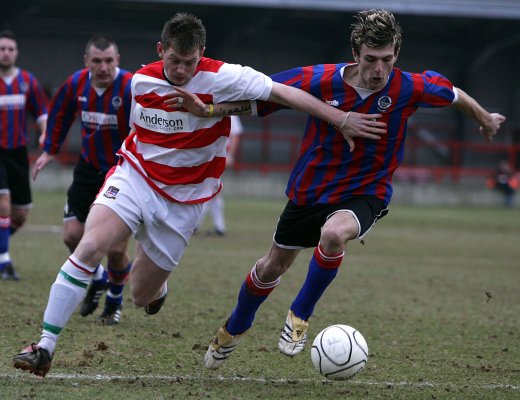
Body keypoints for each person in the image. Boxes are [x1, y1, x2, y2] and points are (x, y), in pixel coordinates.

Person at [12, 12, 385, 377]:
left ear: (201, 54)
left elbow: (286, 93)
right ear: (161, 50)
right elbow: (133, 134)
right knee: (89, 245)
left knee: (141, 295)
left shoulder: (226, 76)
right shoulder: (140, 82)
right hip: (135, 177)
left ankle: (157, 285)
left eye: (189, 63)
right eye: (174, 61)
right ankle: (44, 345)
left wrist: (340, 119)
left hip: (184, 201)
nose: (181, 71)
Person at [167, 9, 506, 369]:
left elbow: (454, 94)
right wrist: (210, 110)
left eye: (387, 60)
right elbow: (262, 98)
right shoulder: (320, 80)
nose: (379, 70)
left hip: (366, 191)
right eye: (371, 59)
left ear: (397, 55)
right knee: (270, 268)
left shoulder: (409, 86)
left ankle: (299, 316)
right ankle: (233, 329)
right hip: (310, 190)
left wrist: (485, 119)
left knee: (334, 234)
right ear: (356, 53)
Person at [32, 34, 133, 325]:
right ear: (86, 61)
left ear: (118, 61)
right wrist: (49, 149)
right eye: (97, 61)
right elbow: (60, 114)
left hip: (121, 174)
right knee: (72, 236)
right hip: (88, 169)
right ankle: (98, 277)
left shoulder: (130, 87)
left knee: (115, 249)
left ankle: (114, 302)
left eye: (109, 61)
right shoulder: (76, 83)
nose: (103, 67)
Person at [0, 30, 48, 281]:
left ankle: (1, 249)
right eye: (2, 48)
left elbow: (41, 113)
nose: (6, 53)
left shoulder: (27, 81)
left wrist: (44, 134)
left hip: (18, 154)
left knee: (20, 215)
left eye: (10, 48)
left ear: (16, 52)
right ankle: (4, 263)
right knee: (3, 203)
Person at [196, 115, 244, 236]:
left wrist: (231, 155)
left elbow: (235, 135)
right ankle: (219, 227)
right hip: (211, 155)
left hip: (218, 155)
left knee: (209, 188)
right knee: (213, 190)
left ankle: (196, 225)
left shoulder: (230, 112)